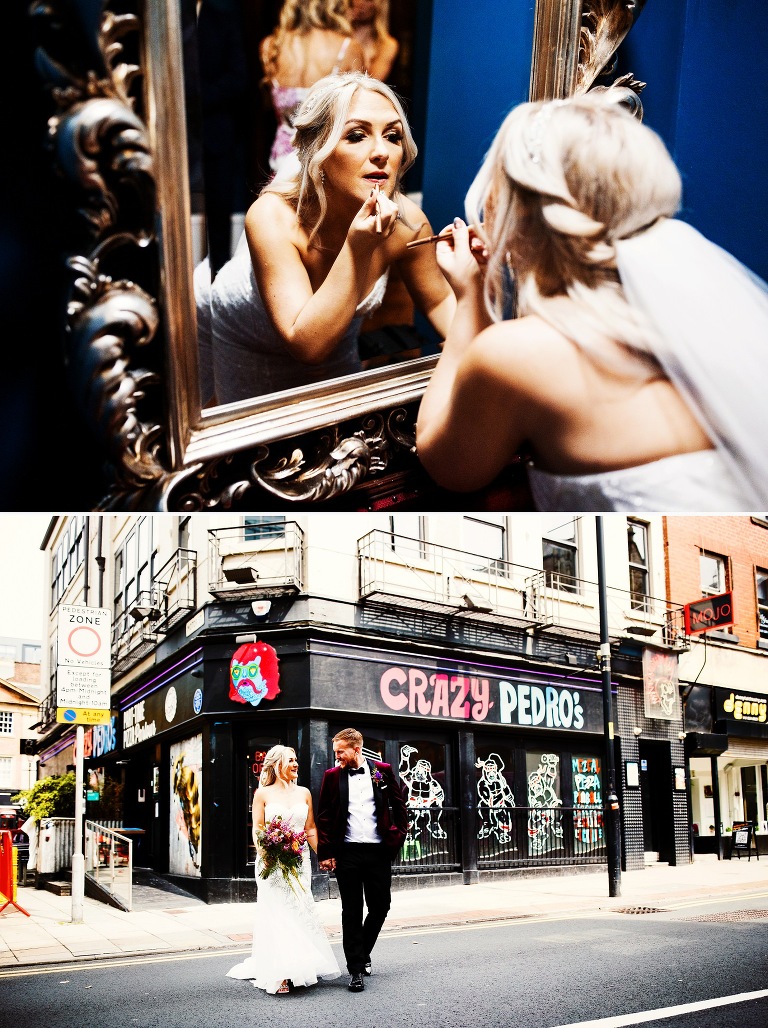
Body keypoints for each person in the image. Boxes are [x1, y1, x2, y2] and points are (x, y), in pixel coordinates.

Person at [415, 92, 768, 512]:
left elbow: (450, 467)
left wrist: (471, 295)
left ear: (526, 211)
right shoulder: (715, 316)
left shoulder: (514, 355)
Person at [210, 71, 455, 404]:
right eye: (357, 135)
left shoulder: (406, 223)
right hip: (243, 335)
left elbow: (441, 302)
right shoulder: (272, 216)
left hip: (332, 339)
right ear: (320, 153)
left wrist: (468, 282)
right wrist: (358, 249)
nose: (381, 151)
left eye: (393, 136)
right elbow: (306, 345)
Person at [226, 745, 341, 995]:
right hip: (272, 865)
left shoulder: (304, 793)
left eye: (297, 760)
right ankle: (280, 974)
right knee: (277, 913)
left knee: (298, 911)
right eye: (291, 760)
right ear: (278, 764)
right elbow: (257, 829)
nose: (296, 764)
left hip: (299, 863)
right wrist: (265, 854)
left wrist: (324, 855)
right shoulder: (262, 794)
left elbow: (309, 828)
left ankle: (299, 965)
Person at [315, 728, 409, 993]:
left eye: (340, 752)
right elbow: (323, 816)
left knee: (381, 906)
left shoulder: (382, 771)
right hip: (348, 853)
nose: (337, 758)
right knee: (352, 911)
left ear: (356, 749)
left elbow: (399, 805)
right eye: (335, 753)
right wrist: (326, 852)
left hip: (378, 852)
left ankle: (362, 952)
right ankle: (355, 970)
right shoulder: (332, 777)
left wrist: (398, 835)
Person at [259, 0, 365, 179]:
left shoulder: (272, 46)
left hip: (282, 164)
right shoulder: (347, 48)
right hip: (325, 162)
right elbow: (359, 113)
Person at [350, 0, 399, 83]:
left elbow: (372, 82)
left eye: (368, 0)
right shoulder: (338, 34)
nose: (360, 3)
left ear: (379, 5)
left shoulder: (387, 44)